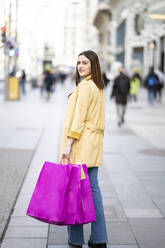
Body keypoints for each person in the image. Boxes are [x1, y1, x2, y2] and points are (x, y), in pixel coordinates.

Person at [60, 50, 108, 248]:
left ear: (93, 66)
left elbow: (78, 119)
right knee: (93, 190)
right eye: (78, 62)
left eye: (85, 63)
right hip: (92, 144)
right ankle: (98, 238)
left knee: (74, 192)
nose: (80, 66)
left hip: (80, 145)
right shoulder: (97, 87)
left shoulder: (85, 88)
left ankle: (76, 239)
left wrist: (68, 144)